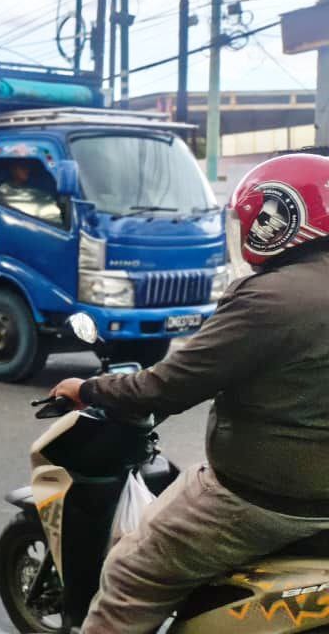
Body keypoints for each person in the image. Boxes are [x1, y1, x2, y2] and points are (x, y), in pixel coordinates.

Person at [50, 154, 329, 633]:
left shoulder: (269, 298)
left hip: (264, 498)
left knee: (129, 574)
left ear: (281, 218)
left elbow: (165, 387)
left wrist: (89, 389)